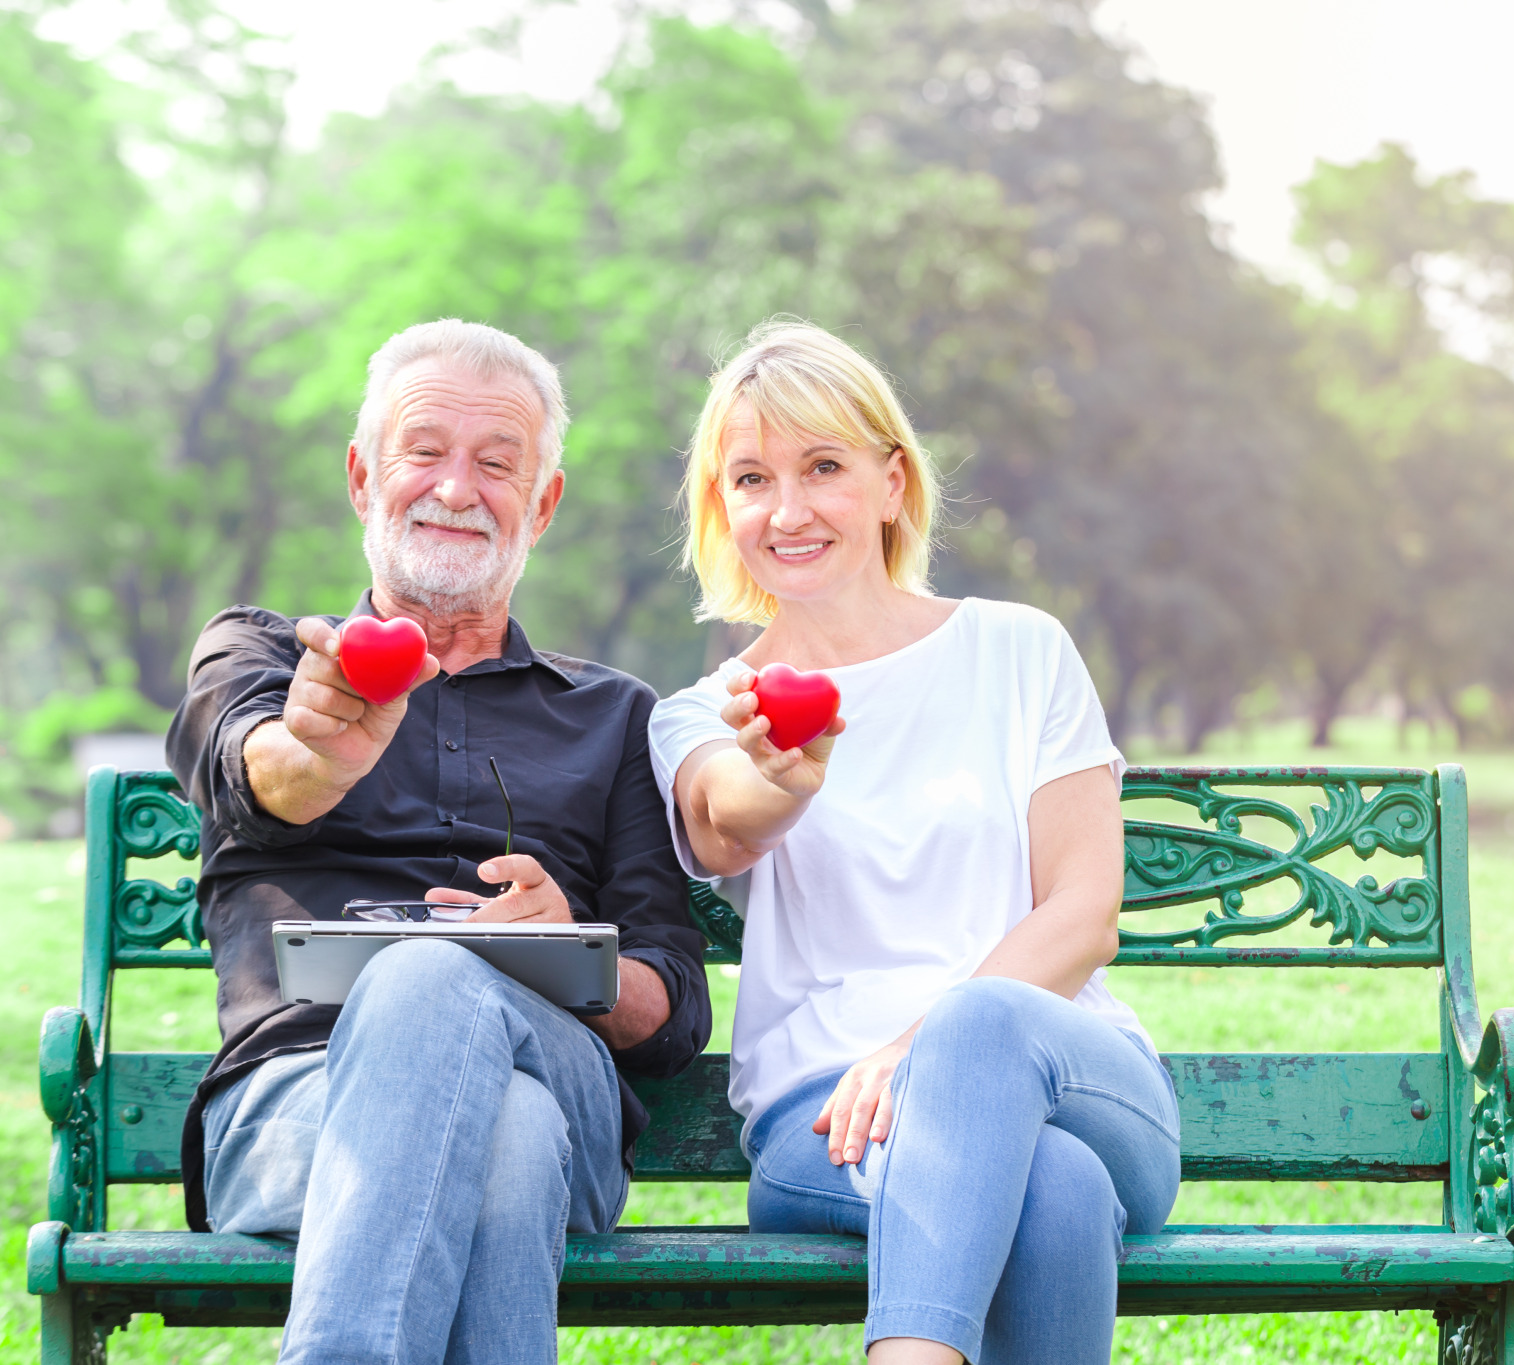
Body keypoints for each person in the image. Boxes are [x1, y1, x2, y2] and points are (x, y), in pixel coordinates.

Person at [166, 319, 712, 1365]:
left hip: (563, 1087)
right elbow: (258, 771)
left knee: (433, 986)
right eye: (424, 453)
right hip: (292, 1104)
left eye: (496, 463)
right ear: (364, 477)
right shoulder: (265, 658)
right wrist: (320, 752)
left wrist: (568, 951)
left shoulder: (614, 716)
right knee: (500, 1142)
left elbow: (673, 1012)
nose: (456, 489)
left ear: (541, 505)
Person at [649, 320, 1178, 1365]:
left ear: (891, 483)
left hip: (1074, 1072)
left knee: (984, 1025)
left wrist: (918, 1055)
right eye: (751, 478)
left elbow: (1081, 912)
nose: (787, 509)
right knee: (1057, 1190)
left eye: (823, 467)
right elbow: (721, 822)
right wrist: (780, 782)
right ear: (723, 508)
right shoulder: (707, 714)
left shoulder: (1018, 650)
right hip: (827, 1120)